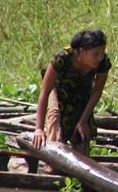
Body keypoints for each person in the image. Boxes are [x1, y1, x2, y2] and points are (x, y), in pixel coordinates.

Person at [30, 29, 111, 161]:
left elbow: (97, 91)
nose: (100, 57)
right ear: (81, 51)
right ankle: (51, 160)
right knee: (55, 123)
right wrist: (39, 128)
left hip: (81, 93)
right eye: (96, 54)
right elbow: (45, 92)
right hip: (56, 91)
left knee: (81, 153)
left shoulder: (103, 63)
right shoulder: (61, 58)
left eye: (102, 53)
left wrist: (83, 120)